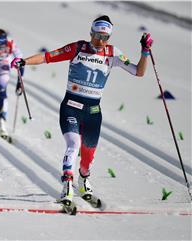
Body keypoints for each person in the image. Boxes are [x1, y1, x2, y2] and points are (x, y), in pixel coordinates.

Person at [11, 15, 153, 204]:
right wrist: (24, 62)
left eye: (105, 38)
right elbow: (48, 57)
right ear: (91, 33)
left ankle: (83, 178)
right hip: (71, 107)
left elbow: (139, 72)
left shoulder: (113, 53)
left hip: (93, 113)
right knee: (73, 145)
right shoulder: (77, 48)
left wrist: (145, 52)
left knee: (87, 156)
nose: (101, 42)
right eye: (97, 37)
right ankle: (67, 184)